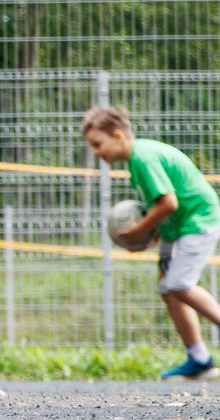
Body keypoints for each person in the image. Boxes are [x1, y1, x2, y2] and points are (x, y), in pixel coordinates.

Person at [82, 106, 220, 381]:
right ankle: (199, 359)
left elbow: (169, 203)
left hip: (197, 221)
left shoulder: (143, 158)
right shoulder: (136, 161)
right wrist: (154, 232)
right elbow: (160, 205)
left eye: (98, 144)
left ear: (117, 135)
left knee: (179, 285)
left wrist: (137, 231)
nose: (96, 152)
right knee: (167, 287)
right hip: (177, 228)